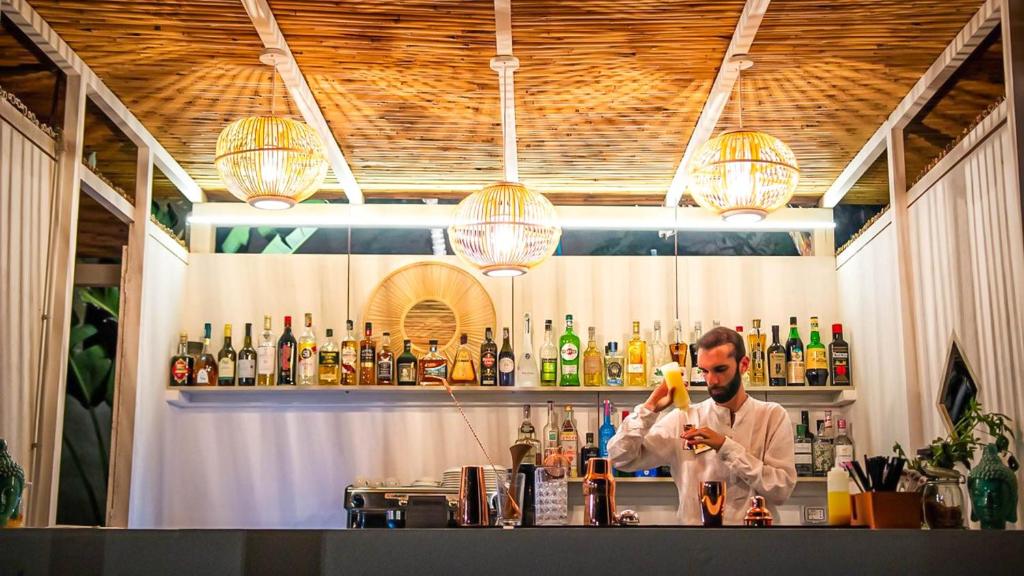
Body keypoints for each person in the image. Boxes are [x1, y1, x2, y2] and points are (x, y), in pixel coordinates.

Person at [607, 326, 796, 524]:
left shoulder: (772, 416)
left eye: (720, 369)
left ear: (744, 365)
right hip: (696, 540)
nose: (711, 380)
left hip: (758, 538)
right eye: (704, 371)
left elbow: (781, 490)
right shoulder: (683, 419)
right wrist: (649, 409)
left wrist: (725, 447)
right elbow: (620, 459)